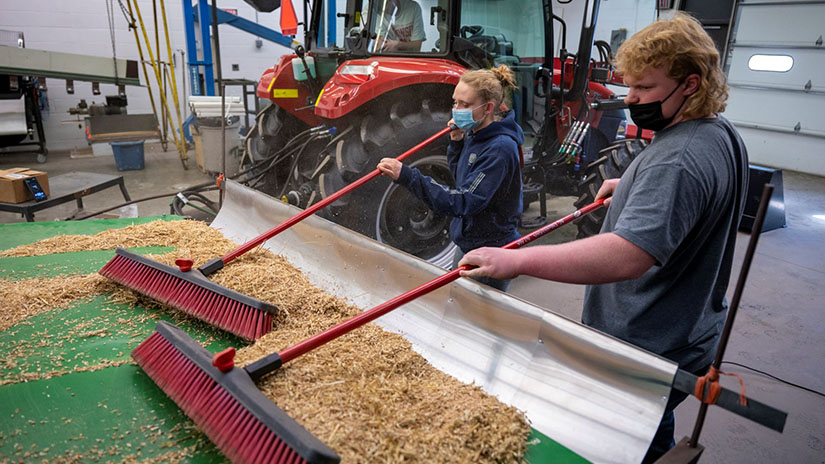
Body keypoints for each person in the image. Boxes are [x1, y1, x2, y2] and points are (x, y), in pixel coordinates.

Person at [457, 13, 748, 462]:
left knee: (628, 441)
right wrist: (632, 183)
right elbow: (683, 188)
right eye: (629, 86)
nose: (631, 99)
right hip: (689, 330)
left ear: (690, 84)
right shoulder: (718, 132)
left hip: (647, 342)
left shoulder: (678, 161)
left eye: (645, 89)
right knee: (653, 424)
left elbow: (625, 256)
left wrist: (517, 260)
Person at [377, 65, 523, 292]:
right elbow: (462, 180)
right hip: (468, 241)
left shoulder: (499, 149)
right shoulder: (475, 134)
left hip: (488, 250)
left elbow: (464, 200)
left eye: (465, 105)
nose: (457, 110)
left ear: (488, 108)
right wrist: (456, 144)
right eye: (455, 102)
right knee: (457, 304)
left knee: (474, 319)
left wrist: (408, 176)